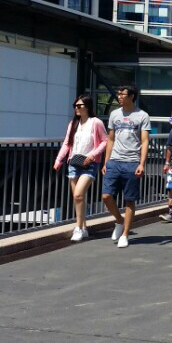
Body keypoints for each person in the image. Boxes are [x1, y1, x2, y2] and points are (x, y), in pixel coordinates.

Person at [54, 95, 108, 242]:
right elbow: (67, 143)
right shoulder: (73, 123)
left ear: (87, 107)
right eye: (75, 106)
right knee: (78, 197)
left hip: (90, 163)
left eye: (79, 106)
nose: (76, 108)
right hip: (74, 162)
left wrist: (93, 154)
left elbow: (105, 141)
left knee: (78, 194)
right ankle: (83, 227)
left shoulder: (96, 122)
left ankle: (78, 228)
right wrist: (59, 159)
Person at [102, 85, 150, 248]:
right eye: (119, 94)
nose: (119, 97)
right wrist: (106, 161)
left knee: (129, 200)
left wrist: (142, 163)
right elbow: (111, 139)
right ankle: (119, 220)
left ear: (131, 96)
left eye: (122, 94)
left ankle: (125, 234)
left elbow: (145, 141)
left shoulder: (142, 115)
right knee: (106, 196)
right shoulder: (114, 114)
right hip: (114, 161)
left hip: (132, 162)